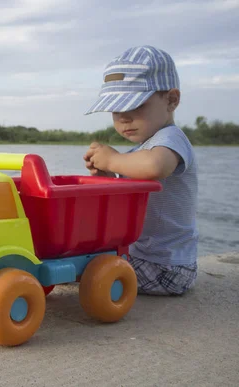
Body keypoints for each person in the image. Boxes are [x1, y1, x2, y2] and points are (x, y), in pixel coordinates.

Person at [83, 45, 198, 296]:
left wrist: (112, 159)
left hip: (167, 266)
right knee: (84, 257)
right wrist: (107, 176)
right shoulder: (142, 151)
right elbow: (131, 193)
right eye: (117, 110)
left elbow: (155, 167)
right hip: (144, 256)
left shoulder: (171, 139)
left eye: (137, 105)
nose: (124, 118)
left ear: (171, 100)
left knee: (87, 271)